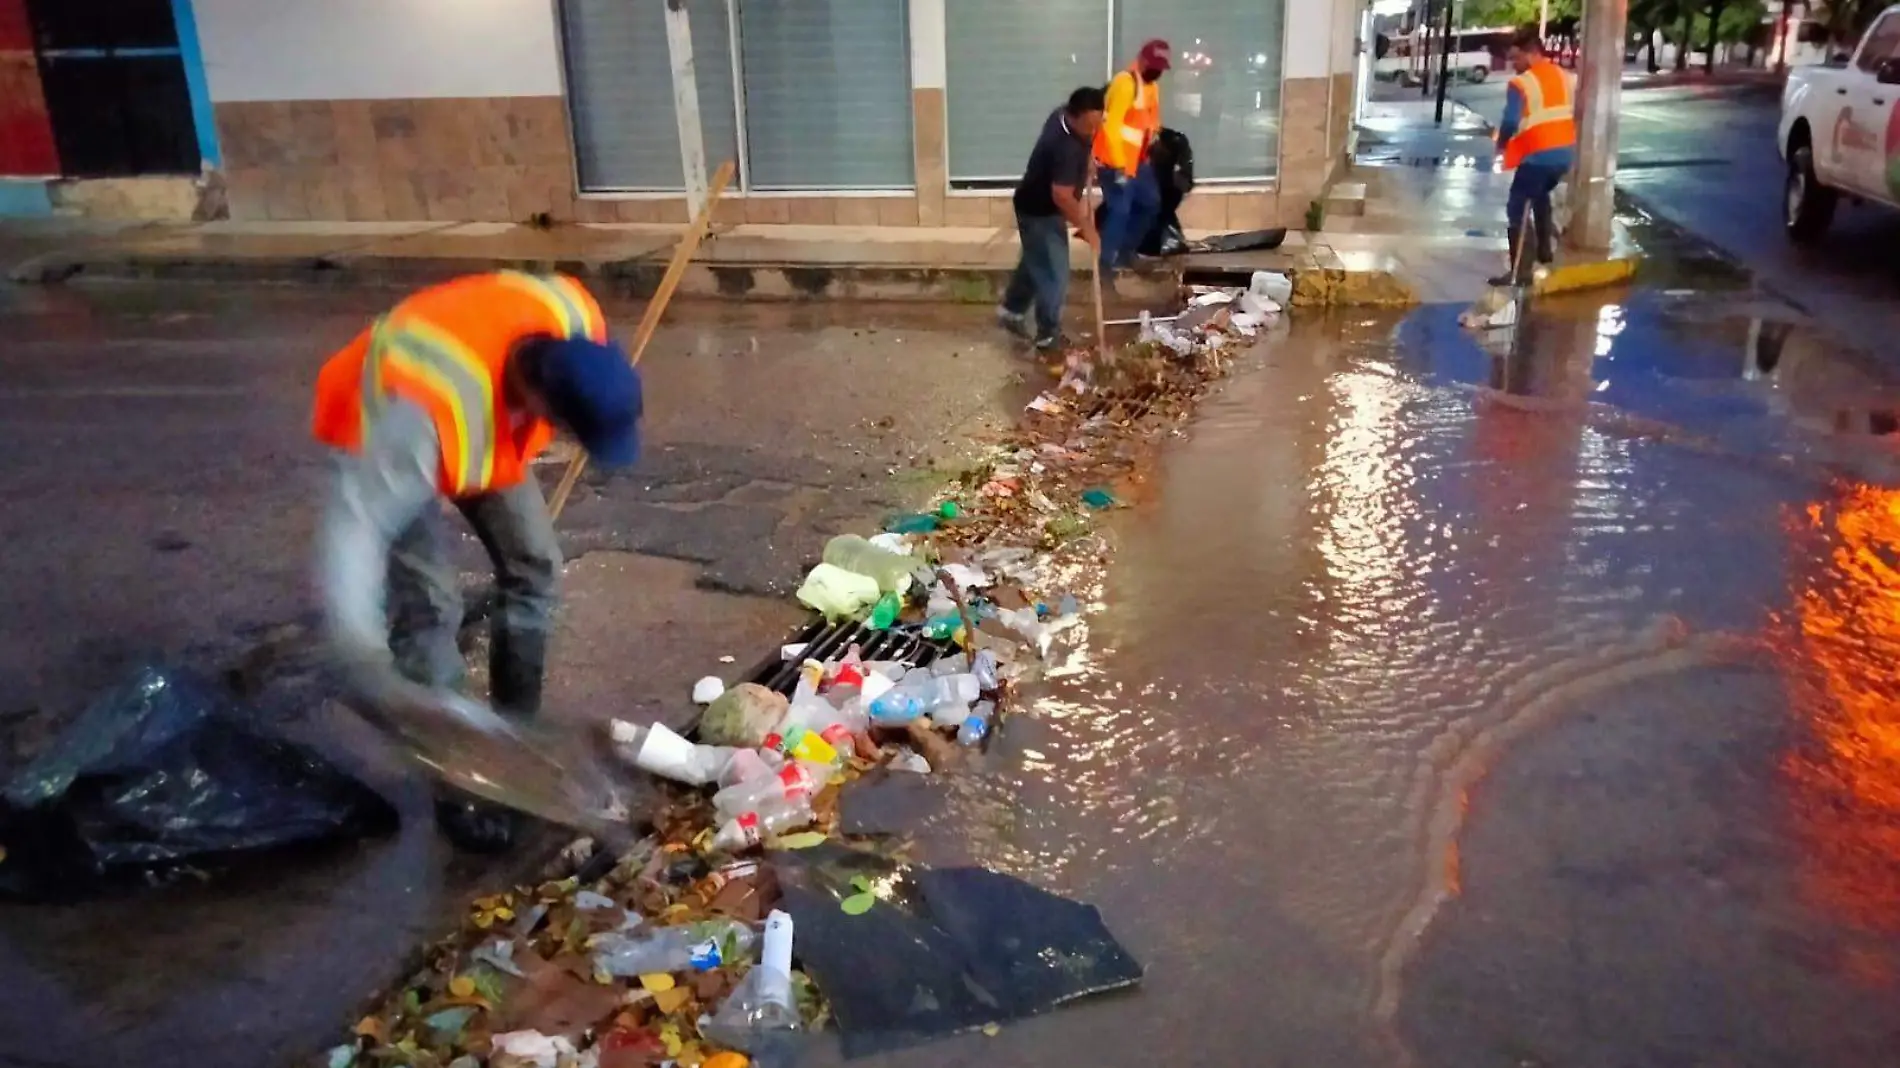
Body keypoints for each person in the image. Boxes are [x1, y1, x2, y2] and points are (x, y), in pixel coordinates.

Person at [311, 271, 643, 853]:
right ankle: (460, 781)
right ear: (541, 401)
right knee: (432, 606)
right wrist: (357, 644)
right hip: (381, 427)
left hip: (481, 427)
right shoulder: (422, 410)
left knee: (535, 565)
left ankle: (516, 735)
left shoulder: (575, 319)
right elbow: (356, 525)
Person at [997, 86, 1105, 351]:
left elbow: (1085, 141)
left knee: (1036, 260)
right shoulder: (1064, 147)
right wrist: (1087, 227)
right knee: (1054, 274)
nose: (1093, 132)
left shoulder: (1061, 115)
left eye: (1097, 125)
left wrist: (1088, 159)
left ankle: (1011, 310)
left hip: (1036, 202)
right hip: (1039, 210)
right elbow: (1062, 196)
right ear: (1074, 116)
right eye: (1089, 127)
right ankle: (1048, 335)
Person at [1491, 26, 1576, 287]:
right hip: (1565, 154)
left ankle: (1520, 271)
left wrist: (1502, 144)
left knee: (1516, 206)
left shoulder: (1521, 83)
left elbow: (1510, 120)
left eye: (1515, 58)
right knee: (1539, 195)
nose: (1513, 64)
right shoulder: (1563, 75)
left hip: (1539, 155)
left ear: (1530, 54)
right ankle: (1544, 251)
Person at [1095, 38, 1170, 273]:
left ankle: (1126, 254)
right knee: (1120, 210)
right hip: (1113, 161)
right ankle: (1106, 266)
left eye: (1161, 67)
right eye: (1154, 65)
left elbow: (1151, 120)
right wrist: (1118, 166)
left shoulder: (1151, 87)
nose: (1157, 71)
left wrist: (1155, 142)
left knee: (1151, 204)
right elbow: (1110, 127)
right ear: (1142, 60)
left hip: (1138, 161)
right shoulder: (1125, 83)